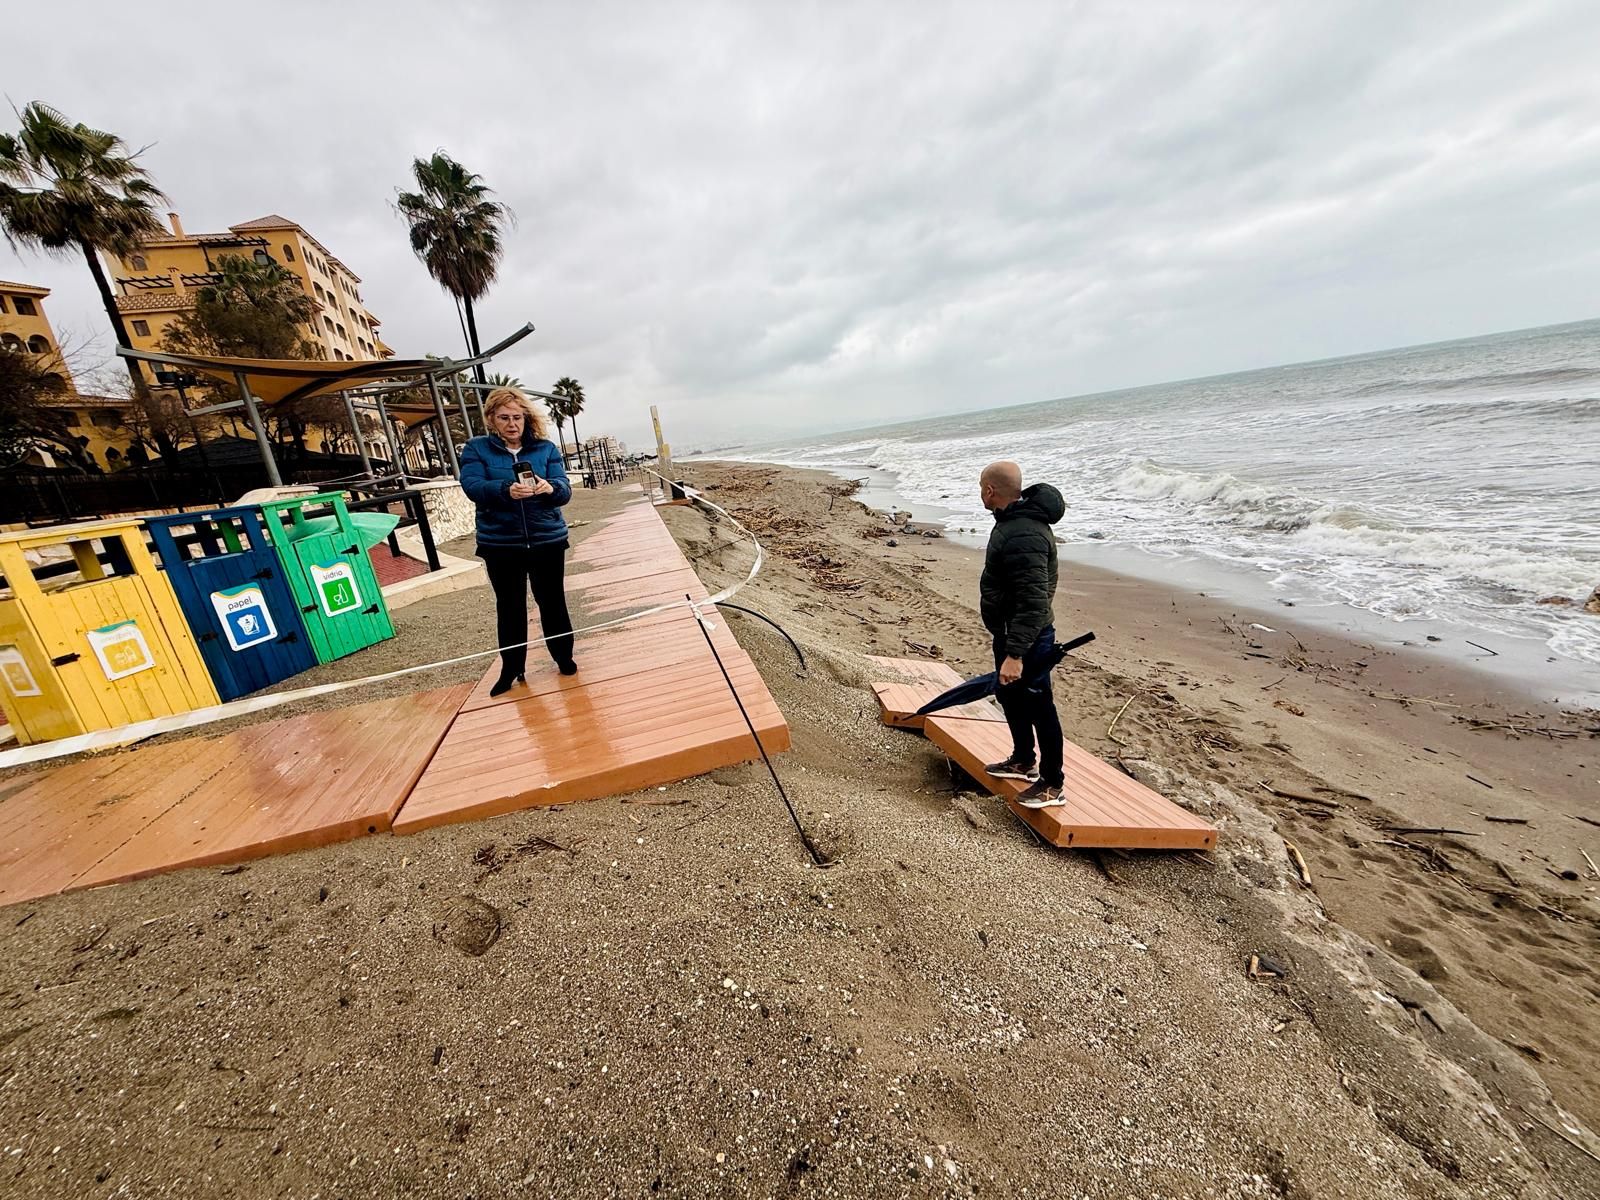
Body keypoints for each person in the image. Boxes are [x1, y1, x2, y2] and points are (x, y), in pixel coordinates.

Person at [458, 387, 576, 696]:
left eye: (517, 417)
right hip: (501, 544)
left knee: (552, 602)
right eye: (504, 418)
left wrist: (550, 488)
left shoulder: (545, 449)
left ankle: (564, 657)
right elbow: (472, 486)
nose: (512, 424)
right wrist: (505, 490)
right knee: (509, 608)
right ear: (491, 419)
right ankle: (512, 668)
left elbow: (564, 489)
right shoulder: (476, 449)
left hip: (546, 539)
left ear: (526, 418)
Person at [977, 460, 1068, 808]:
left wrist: (1016, 654)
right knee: (1010, 697)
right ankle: (1023, 760)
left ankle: (1052, 783)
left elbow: (1033, 600)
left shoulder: (1023, 533)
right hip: (1010, 632)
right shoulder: (1011, 523)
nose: (980, 494)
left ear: (990, 490)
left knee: (1039, 705)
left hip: (1028, 638)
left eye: (981, 488)